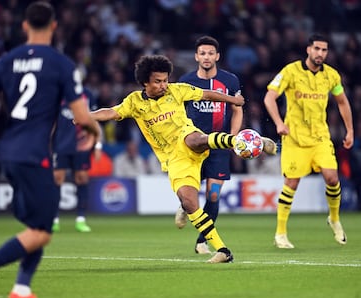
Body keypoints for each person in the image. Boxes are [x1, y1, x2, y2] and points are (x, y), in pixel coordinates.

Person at [0, 2, 100, 298]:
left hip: (9, 153)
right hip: (35, 155)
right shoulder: (61, 64)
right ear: (54, 26)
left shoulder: (5, 61)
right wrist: (95, 134)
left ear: (24, 26)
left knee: (38, 223)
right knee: (41, 232)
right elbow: (82, 118)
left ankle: (21, 291)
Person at [89, 54, 277, 264]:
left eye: (165, 80)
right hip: (174, 159)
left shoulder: (176, 90)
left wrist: (233, 100)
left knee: (195, 139)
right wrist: (85, 116)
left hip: (188, 138)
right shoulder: (134, 102)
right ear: (145, 82)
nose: (163, 85)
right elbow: (111, 113)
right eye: (158, 81)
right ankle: (223, 251)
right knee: (190, 202)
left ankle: (244, 142)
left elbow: (206, 94)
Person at [264, 33, 354, 249]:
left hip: (320, 136)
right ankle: (280, 234)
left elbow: (342, 102)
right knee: (291, 183)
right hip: (294, 137)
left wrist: (350, 130)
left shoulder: (331, 76)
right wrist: (278, 123)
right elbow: (269, 97)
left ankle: (334, 218)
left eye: (324, 50)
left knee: (332, 178)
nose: (320, 53)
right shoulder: (290, 71)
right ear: (308, 49)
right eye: (317, 49)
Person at [175, 35, 243, 255]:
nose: (206, 57)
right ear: (196, 56)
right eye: (202, 53)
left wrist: (232, 138)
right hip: (192, 146)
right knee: (190, 195)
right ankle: (185, 206)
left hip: (218, 147)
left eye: (210, 53)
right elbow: (176, 112)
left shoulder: (230, 81)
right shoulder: (185, 81)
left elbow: (237, 110)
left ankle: (201, 241)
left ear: (217, 56)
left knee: (213, 195)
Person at [52, 88, 102, 233]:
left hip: (82, 146)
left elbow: (94, 120)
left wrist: (97, 144)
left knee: (82, 179)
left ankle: (81, 219)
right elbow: (52, 120)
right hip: (61, 145)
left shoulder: (87, 94)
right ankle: (53, 219)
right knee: (57, 179)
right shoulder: (59, 93)